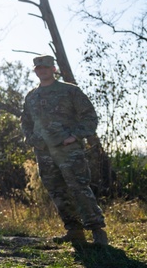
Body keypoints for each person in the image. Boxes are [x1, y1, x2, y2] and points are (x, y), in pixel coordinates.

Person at [21, 55, 108, 246]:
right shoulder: (32, 96)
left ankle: (97, 231)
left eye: (45, 67)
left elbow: (89, 117)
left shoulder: (70, 91)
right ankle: (74, 230)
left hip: (69, 150)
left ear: (53, 69)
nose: (42, 70)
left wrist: (75, 136)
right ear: (35, 71)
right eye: (38, 68)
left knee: (79, 187)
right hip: (44, 152)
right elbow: (26, 122)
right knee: (57, 190)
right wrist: (33, 140)